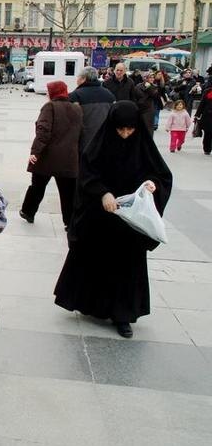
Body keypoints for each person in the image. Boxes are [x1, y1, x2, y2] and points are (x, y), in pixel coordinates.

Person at [54, 101, 172, 338]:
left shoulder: (142, 145)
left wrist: (152, 185)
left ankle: (123, 315)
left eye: (130, 130)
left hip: (130, 223)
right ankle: (92, 305)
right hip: (101, 218)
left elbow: (160, 174)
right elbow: (87, 175)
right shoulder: (98, 146)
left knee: (125, 266)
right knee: (95, 260)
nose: (126, 134)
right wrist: (103, 193)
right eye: (121, 130)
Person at [20, 81, 83, 230]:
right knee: (68, 192)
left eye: (49, 91)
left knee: (37, 186)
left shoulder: (50, 107)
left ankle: (28, 212)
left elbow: (43, 131)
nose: (47, 94)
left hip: (48, 157)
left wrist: (35, 152)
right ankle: (70, 221)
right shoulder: (77, 108)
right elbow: (81, 133)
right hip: (69, 158)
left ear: (54, 93)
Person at [68, 66, 116, 152]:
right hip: (104, 141)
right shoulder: (109, 95)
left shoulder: (75, 95)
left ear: (83, 78)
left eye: (78, 77)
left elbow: (72, 120)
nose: (77, 80)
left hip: (84, 142)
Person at [194, 85, 212, 155]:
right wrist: (197, 114)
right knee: (208, 133)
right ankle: (207, 149)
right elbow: (202, 104)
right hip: (207, 116)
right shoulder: (207, 91)